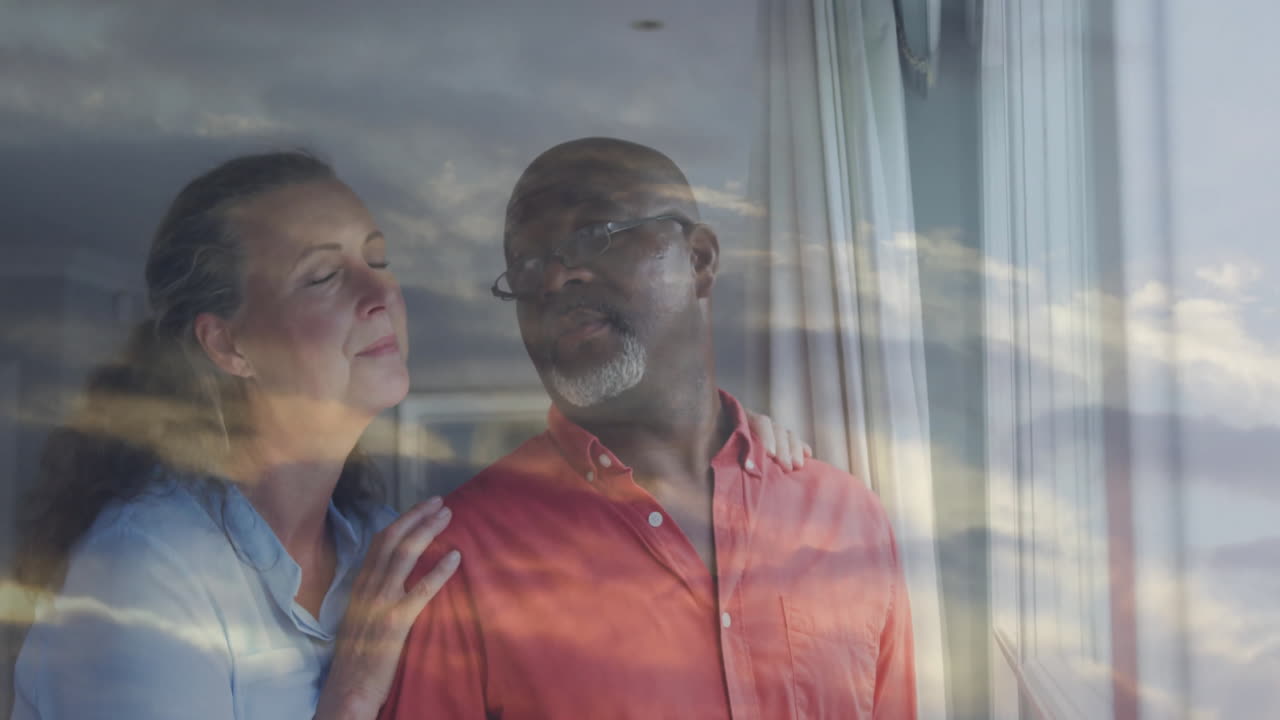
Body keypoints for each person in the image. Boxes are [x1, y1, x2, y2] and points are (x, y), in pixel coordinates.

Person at [10, 150, 807, 720]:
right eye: (324, 275)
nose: (378, 292)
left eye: (379, 259)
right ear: (228, 346)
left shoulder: (373, 554)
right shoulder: (145, 577)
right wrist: (351, 698)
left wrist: (720, 452)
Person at [377, 138, 918, 720]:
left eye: (595, 234)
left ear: (700, 261)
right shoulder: (460, 559)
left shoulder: (845, 520)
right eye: (528, 265)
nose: (556, 277)